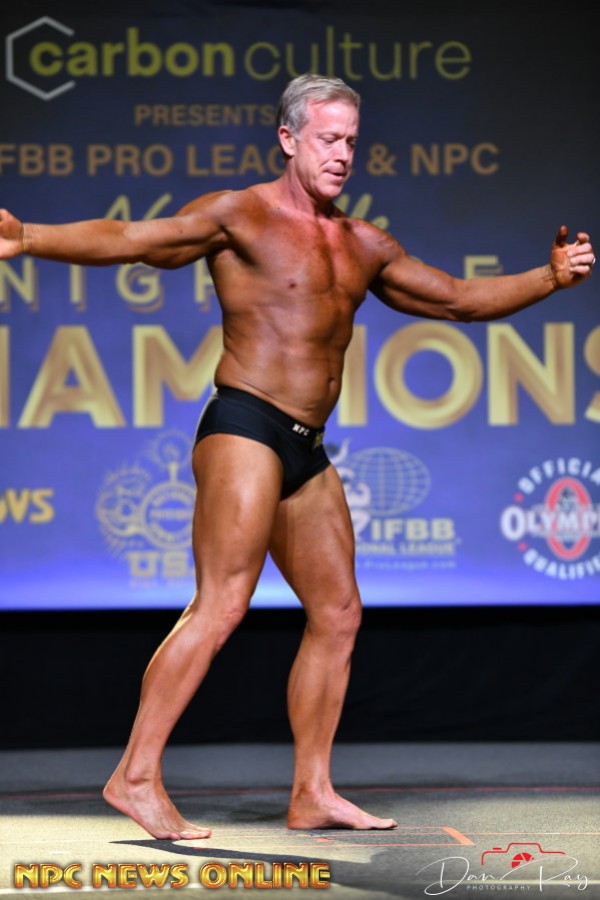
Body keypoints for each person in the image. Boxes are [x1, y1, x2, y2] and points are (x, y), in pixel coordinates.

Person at [0, 74, 594, 841]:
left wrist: (549, 278)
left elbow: (455, 298)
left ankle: (312, 791)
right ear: (288, 139)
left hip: (305, 449)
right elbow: (131, 239)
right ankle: (135, 775)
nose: (342, 154)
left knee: (339, 612)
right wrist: (27, 238)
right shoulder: (239, 215)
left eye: (351, 141)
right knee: (222, 604)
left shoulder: (363, 244)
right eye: (328, 138)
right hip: (245, 425)